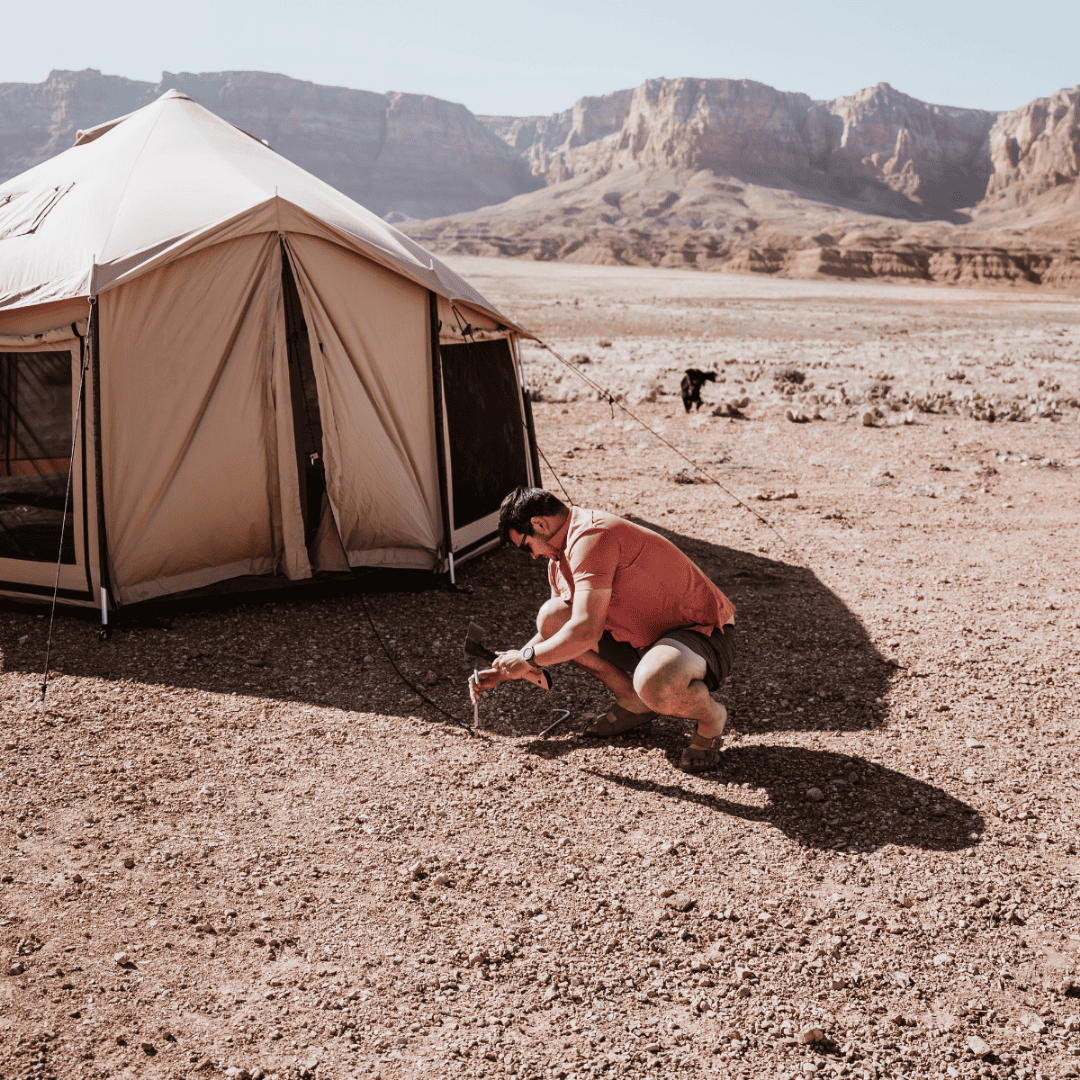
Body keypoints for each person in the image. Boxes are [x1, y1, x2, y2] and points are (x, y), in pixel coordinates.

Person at [473, 486, 736, 771]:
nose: (533, 556)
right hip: (645, 641)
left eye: (526, 546)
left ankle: (711, 719)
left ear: (539, 524)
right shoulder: (559, 555)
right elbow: (557, 632)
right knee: (552, 616)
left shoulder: (591, 536)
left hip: (703, 633)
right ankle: (633, 702)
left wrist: (526, 659)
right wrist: (506, 669)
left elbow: (585, 632)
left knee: (654, 683)